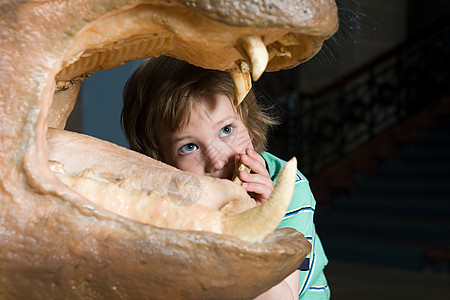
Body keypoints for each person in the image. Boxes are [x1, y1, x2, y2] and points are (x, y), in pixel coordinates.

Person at [121, 56, 330, 299]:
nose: (218, 160)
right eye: (189, 147)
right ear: (160, 162)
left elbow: (279, 297)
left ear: (249, 124)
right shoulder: (171, 199)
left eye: (226, 130)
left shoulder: (289, 189)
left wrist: (261, 220)